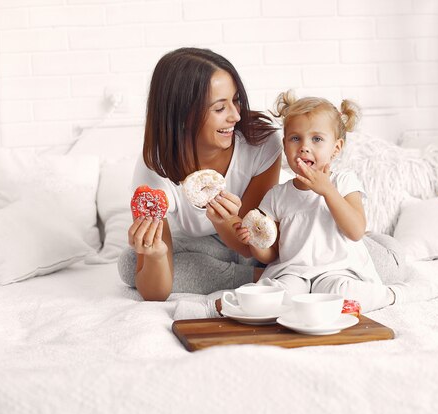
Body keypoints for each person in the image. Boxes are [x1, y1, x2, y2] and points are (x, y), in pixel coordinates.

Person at [174, 91, 425, 319]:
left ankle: (395, 295)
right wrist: (254, 240)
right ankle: (210, 309)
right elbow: (272, 253)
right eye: (295, 138)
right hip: (293, 273)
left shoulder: (343, 181)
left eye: (317, 139)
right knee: (271, 296)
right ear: (285, 146)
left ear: (336, 148)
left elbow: (356, 230)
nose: (304, 147)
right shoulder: (277, 195)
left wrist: (327, 190)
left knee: (344, 295)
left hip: (338, 273)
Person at [117, 47, 282, 301]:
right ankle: (264, 279)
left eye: (236, 100)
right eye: (219, 109)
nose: (236, 115)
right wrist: (157, 254)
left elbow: (252, 248)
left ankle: (264, 274)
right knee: (131, 263)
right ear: (182, 115)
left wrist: (224, 221)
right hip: (206, 247)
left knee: (291, 249)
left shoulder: (262, 144)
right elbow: (155, 294)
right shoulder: (155, 166)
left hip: (256, 251)